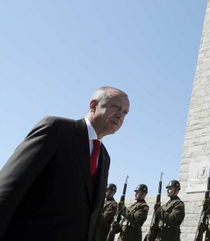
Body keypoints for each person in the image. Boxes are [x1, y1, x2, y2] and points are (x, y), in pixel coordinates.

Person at [0, 86, 129, 241]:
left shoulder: (104, 157)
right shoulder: (57, 129)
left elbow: (93, 217)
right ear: (94, 106)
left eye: (124, 113)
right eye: (116, 107)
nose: (120, 115)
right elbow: (9, 188)